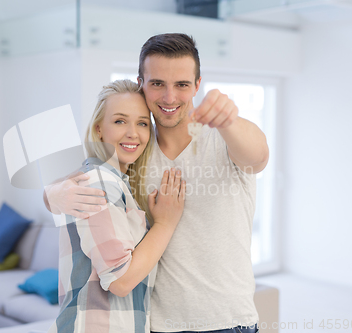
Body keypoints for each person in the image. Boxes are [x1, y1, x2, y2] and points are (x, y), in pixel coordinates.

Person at [45, 34, 268, 333]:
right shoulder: (136, 150)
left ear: (197, 85)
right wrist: (51, 193)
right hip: (156, 324)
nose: (169, 97)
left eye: (182, 85)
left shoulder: (224, 138)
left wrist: (229, 120)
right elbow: (90, 179)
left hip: (226, 323)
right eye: (157, 83)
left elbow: (259, 156)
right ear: (142, 84)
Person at [47, 79, 186, 333]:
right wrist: (166, 223)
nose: (133, 133)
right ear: (99, 128)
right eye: (120, 121)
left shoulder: (115, 182)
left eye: (142, 123)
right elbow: (120, 281)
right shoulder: (100, 182)